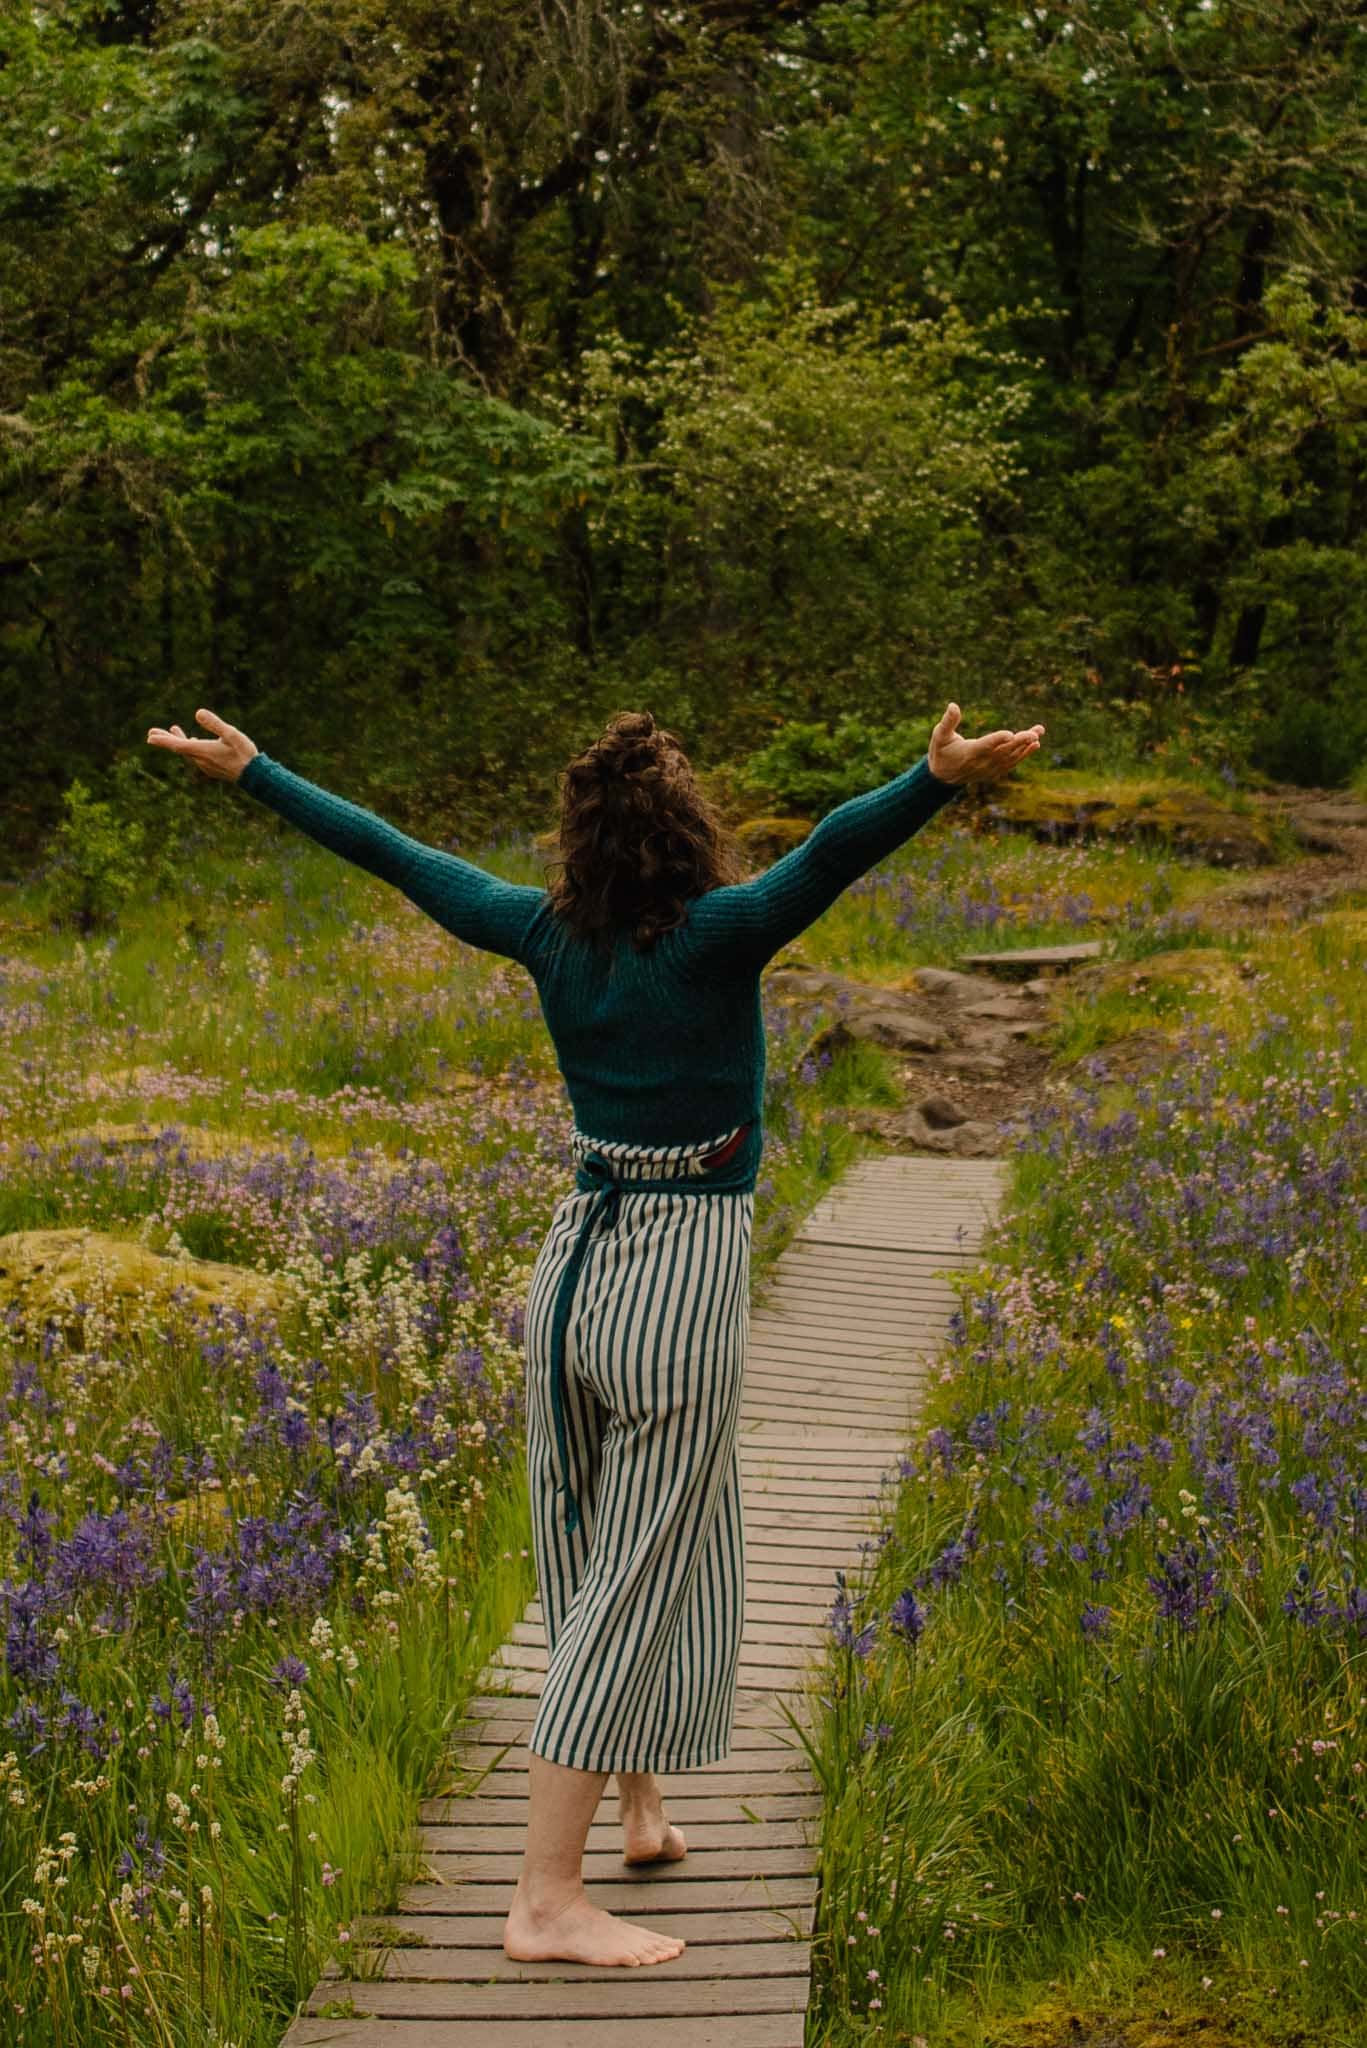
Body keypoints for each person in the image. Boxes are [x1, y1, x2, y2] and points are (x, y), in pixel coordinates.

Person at [147, 699, 1043, 1969]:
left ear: (576, 841)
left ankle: (642, 1807)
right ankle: (544, 1897)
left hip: (570, 1275)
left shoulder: (539, 931)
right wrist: (932, 778)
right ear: (687, 835)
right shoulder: (721, 936)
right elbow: (833, 852)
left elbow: (395, 853)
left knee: (592, 1547)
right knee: (639, 1570)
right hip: (675, 1283)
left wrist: (259, 773)